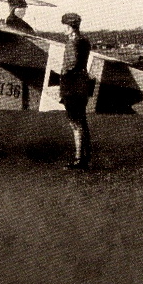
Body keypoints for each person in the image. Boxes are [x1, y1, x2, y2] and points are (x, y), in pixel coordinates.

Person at [59, 12, 92, 170]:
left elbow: (71, 64)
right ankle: (85, 156)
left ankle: (79, 159)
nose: (63, 29)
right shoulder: (84, 41)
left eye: (65, 26)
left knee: (75, 123)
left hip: (72, 86)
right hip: (82, 85)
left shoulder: (72, 43)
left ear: (71, 27)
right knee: (82, 122)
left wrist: (63, 75)